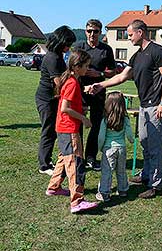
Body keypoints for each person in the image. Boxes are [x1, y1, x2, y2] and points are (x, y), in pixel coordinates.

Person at [86, 19, 162, 199]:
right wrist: (100, 85)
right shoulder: (137, 55)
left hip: (156, 105)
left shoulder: (158, 51)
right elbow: (122, 77)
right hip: (144, 105)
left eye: (130, 34)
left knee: (155, 145)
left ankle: (155, 184)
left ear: (140, 32)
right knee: (144, 141)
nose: (129, 38)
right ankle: (147, 175)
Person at [46, 49, 98, 213]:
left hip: (62, 127)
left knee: (63, 158)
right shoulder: (72, 83)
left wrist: (80, 107)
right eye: (86, 66)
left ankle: (53, 187)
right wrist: (83, 118)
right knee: (75, 162)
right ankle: (77, 201)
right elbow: (65, 108)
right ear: (77, 66)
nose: (88, 69)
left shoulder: (72, 81)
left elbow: (69, 103)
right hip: (69, 128)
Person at [75, 19, 116, 171]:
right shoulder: (79, 47)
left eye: (95, 31)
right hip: (80, 91)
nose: (92, 34)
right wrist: (84, 75)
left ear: (100, 32)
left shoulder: (106, 49)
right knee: (77, 123)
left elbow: (112, 71)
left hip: (98, 91)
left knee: (96, 125)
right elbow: (72, 68)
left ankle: (90, 158)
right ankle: (77, 157)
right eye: (89, 31)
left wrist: (99, 73)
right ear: (85, 31)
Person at [35, 26, 76, 176]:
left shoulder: (58, 55)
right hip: (45, 99)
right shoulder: (52, 57)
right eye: (67, 44)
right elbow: (59, 82)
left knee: (52, 130)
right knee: (48, 130)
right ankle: (44, 165)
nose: (69, 47)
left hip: (53, 99)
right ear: (60, 41)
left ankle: (47, 161)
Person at [96, 91, 134, 202]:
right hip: (121, 148)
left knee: (107, 171)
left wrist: (100, 147)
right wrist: (131, 140)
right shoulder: (125, 118)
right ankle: (123, 190)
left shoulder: (105, 119)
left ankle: (104, 192)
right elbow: (130, 133)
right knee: (121, 170)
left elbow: (101, 136)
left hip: (108, 149)